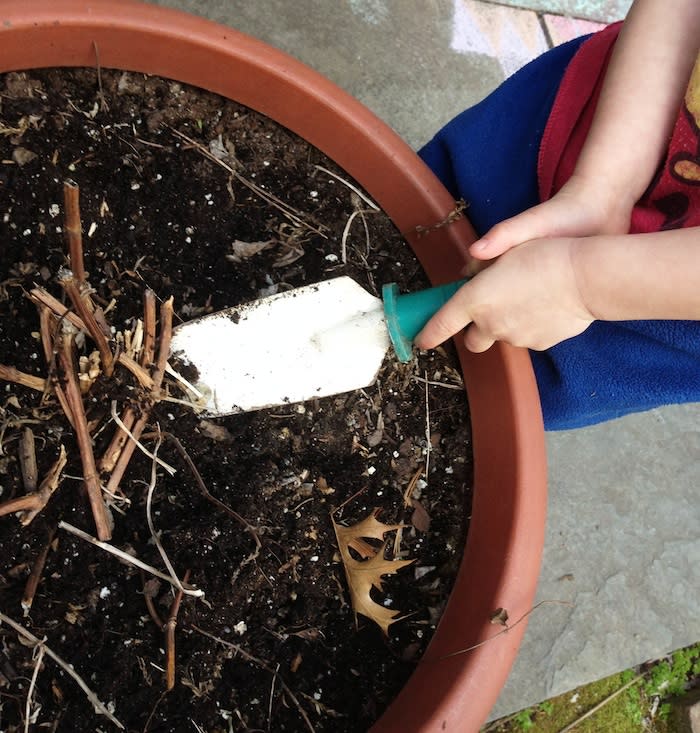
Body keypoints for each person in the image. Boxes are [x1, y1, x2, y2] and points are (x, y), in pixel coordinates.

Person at [414, 0, 700, 430]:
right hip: (622, 112)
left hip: (664, 298)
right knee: (423, 219)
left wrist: (580, 285)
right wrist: (604, 187)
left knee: (498, 391)